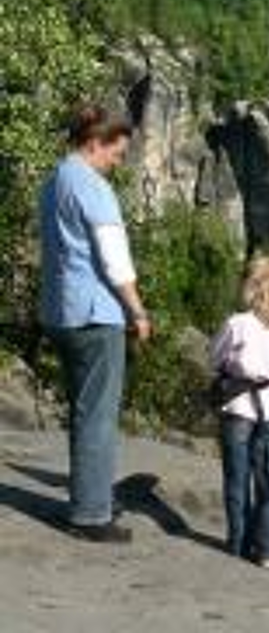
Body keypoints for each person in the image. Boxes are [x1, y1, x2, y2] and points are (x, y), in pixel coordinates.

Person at [39, 104, 151, 543]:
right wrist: (137, 311)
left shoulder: (55, 181)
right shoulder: (93, 187)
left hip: (59, 310)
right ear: (94, 143)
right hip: (94, 314)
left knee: (84, 410)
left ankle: (92, 494)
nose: (117, 162)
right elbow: (114, 259)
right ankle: (90, 513)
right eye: (116, 153)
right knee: (97, 416)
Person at [210, 257, 269, 568]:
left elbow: (215, 357)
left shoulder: (238, 324)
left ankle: (238, 543)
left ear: (256, 289)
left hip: (237, 409)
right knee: (266, 481)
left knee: (237, 479)